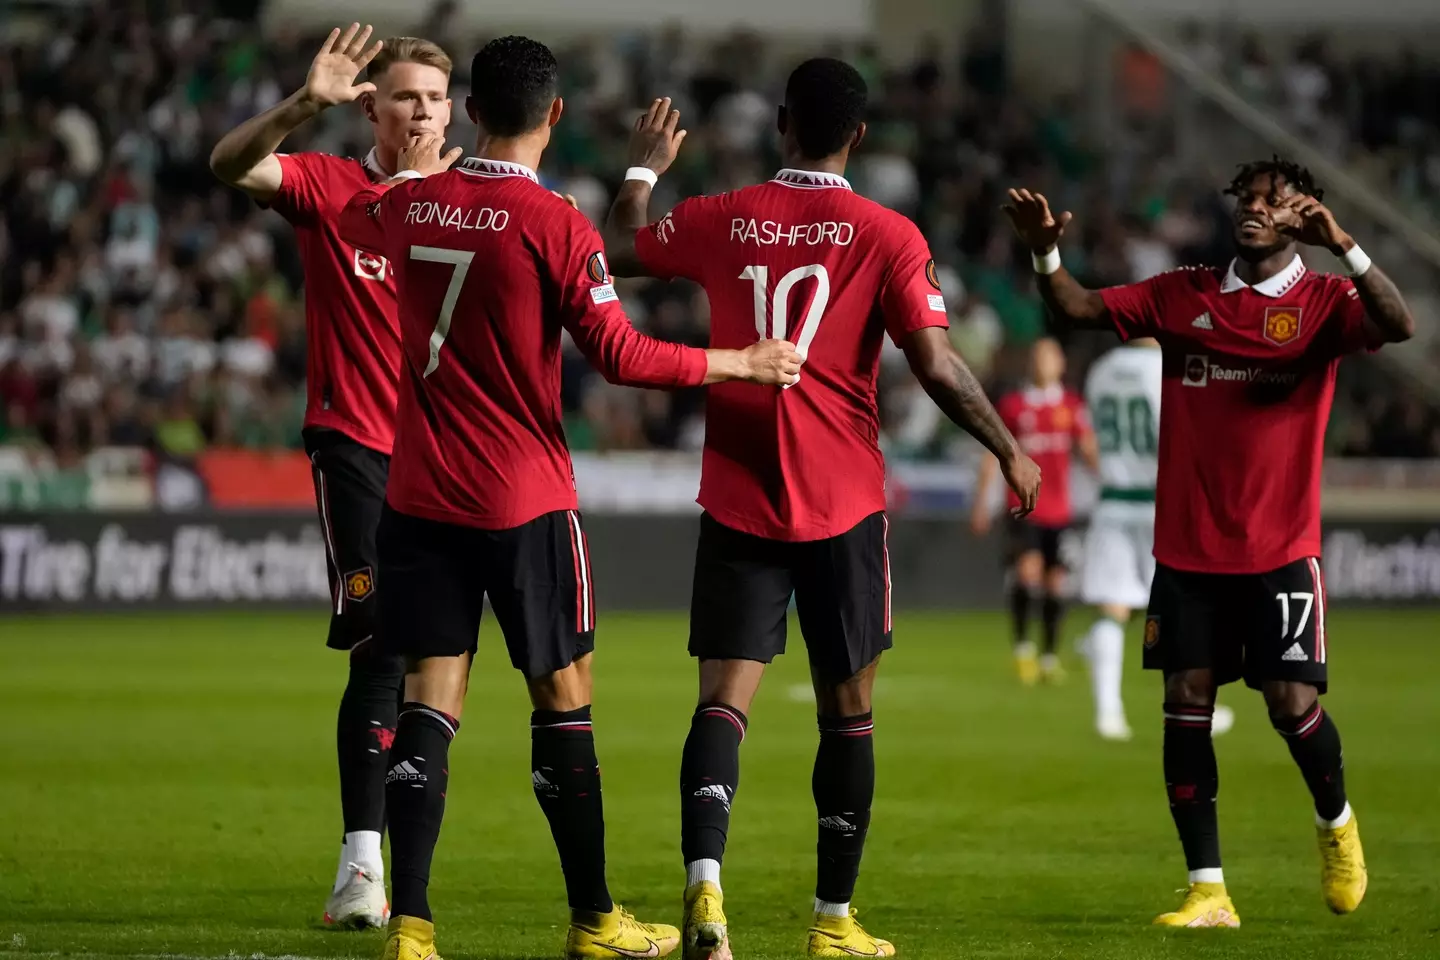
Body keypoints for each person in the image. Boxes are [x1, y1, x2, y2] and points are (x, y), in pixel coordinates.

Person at [335, 36, 802, 960]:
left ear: (470, 111)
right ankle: (594, 919)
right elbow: (623, 357)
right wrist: (739, 361)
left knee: (429, 699)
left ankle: (414, 926)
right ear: (554, 115)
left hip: (420, 493)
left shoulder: (407, 205)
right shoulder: (557, 226)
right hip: (524, 497)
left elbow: (362, 218)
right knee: (562, 699)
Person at [603, 62, 1041, 959]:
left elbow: (620, 255)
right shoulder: (887, 232)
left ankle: (707, 898)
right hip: (842, 503)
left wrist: (643, 173)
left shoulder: (722, 215)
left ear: (779, 124)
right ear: (861, 138)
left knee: (722, 706)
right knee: (848, 714)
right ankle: (833, 921)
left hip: (736, 492)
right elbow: (936, 365)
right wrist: (1007, 445)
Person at [1004, 156, 1414, 926]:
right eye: (1246, 198)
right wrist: (1044, 251)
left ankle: (1337, 827)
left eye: (1273, 201)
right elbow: (1075, 309)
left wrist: (1346, 245)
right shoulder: (1181, 292)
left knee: (1292, 705)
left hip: (1281, 547)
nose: (1254, 209)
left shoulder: (1325, 300)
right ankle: (1207, 888)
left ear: (1304, 215)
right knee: (1183, 701)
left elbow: (1401, 324)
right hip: (1188, 549)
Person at [209, 25, 454, 929]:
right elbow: (231, 164)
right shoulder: (329, 185)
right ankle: (362, 867)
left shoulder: (471, 204)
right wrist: (301, 104)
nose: (422, 110)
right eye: (404, 96)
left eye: (435, 96)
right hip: (356, 445)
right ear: (371, 107)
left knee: (441, 661)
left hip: (450, 456)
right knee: (379, 646)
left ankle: (405, 869)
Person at [1078, 340, 1237, 742]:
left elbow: (1092, 438)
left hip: (1113, 499)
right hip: (1160, 503)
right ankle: (1195, 706)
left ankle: (1107, 713)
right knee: (1180, 608)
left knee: (1112, 609)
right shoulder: (1165, 369)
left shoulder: (1100, 370)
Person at [972, 338, 1097, 685]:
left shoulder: (1071, 405)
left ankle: (1049, 656)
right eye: (1038, 355)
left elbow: (1088, 450)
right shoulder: (1013, 405)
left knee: (1056, 584)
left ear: (1060, 364)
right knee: (1028, 574)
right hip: (1023, 508)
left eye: (1051, 356)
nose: (1044, 362)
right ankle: (1023, 650)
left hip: (1061, 510)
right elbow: (990, 454)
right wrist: (982, 502)